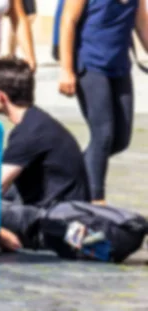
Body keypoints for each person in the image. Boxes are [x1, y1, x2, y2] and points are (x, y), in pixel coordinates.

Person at [58, 0, 148, 205]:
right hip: (90, 64)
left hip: (119, 66)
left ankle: (68, 173)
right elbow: (68, 20)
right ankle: (96, 201)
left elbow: (142, 22)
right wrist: (66, 69)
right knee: (103, 135)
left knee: (121, 138)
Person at [0, 57, 90, 207]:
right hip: (69, 206)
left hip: (59, 219)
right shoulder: (37, 120)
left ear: (1, 97)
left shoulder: (27, 133)